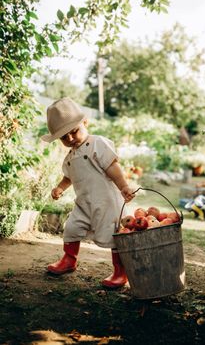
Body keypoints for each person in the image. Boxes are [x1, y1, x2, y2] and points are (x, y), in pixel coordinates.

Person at [41, 97, 135, 288]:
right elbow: (69, 177)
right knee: (71, 228)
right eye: (63, 137)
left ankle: (120, 271)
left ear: (85, 122)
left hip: (107, 202)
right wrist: (60, 187)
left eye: (73, 132)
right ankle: (69, 259)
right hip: (83, 203)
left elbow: (112, 166)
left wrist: (123, 186)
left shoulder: (97, 144)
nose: (70, 139)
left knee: (115, 235)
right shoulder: (70, 156)